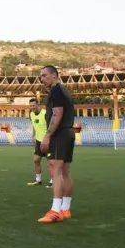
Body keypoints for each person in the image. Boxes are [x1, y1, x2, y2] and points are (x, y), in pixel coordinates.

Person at [37, 65, 76, 223]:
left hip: (59, 134)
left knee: (56, 171)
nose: (42, 78)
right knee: (65, 172)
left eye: (44, 75)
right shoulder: (64, 91)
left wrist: (47, 135)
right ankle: (65, 209)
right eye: (41, 76)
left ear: (54, 75)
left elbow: (57, 113)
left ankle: (55, 211)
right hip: (68, 133)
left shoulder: (56, 91)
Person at [26, 98, 52, 187]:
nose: (32, 107)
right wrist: (33, 136)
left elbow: (51, 127)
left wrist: (48, 139)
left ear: (38, 104)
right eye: (30, 106)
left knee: (50, 162)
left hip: (48, 141)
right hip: (38, 141)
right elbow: (34, 125)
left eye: (33, 105)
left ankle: (53, 181)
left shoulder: (45, 114)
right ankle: (38, 180)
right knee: (36, 160)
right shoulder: (31, 114)